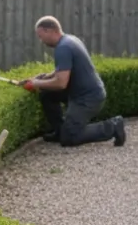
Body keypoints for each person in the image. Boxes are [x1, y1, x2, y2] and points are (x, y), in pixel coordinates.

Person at [19, 16, 126, 148]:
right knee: (47, 95)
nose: (41, 41)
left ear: (49, 31)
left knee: (70, 137)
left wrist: (35, 84)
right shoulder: (70, 40)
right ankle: (59, 131)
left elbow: (61, 83)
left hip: (88, 98)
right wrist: (42, 78)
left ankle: (113, 126)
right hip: (80, 92)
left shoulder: (63, 48)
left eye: (41, 36)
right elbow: (63, 70)